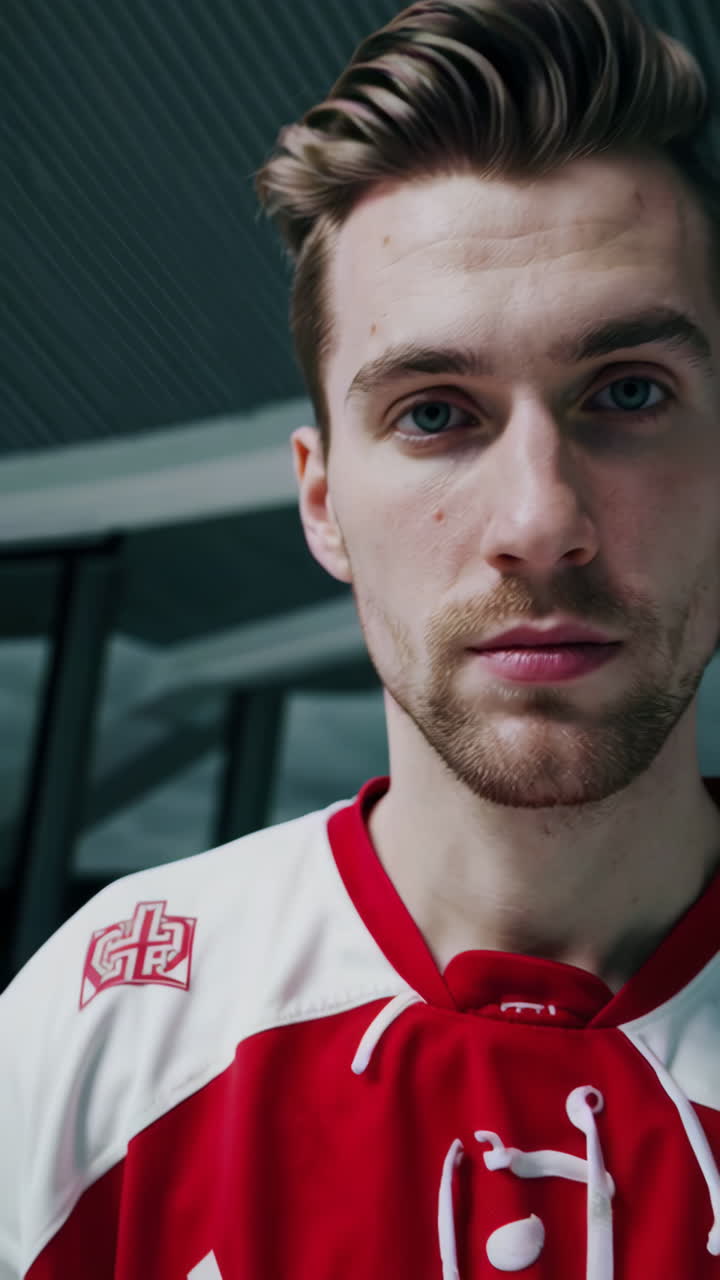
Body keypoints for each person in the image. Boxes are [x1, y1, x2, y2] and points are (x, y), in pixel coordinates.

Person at [2, 0, 720, 1276]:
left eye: (626, 393)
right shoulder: (96, 1036)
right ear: (323, 498)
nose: (539, 520)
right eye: (437, 412)